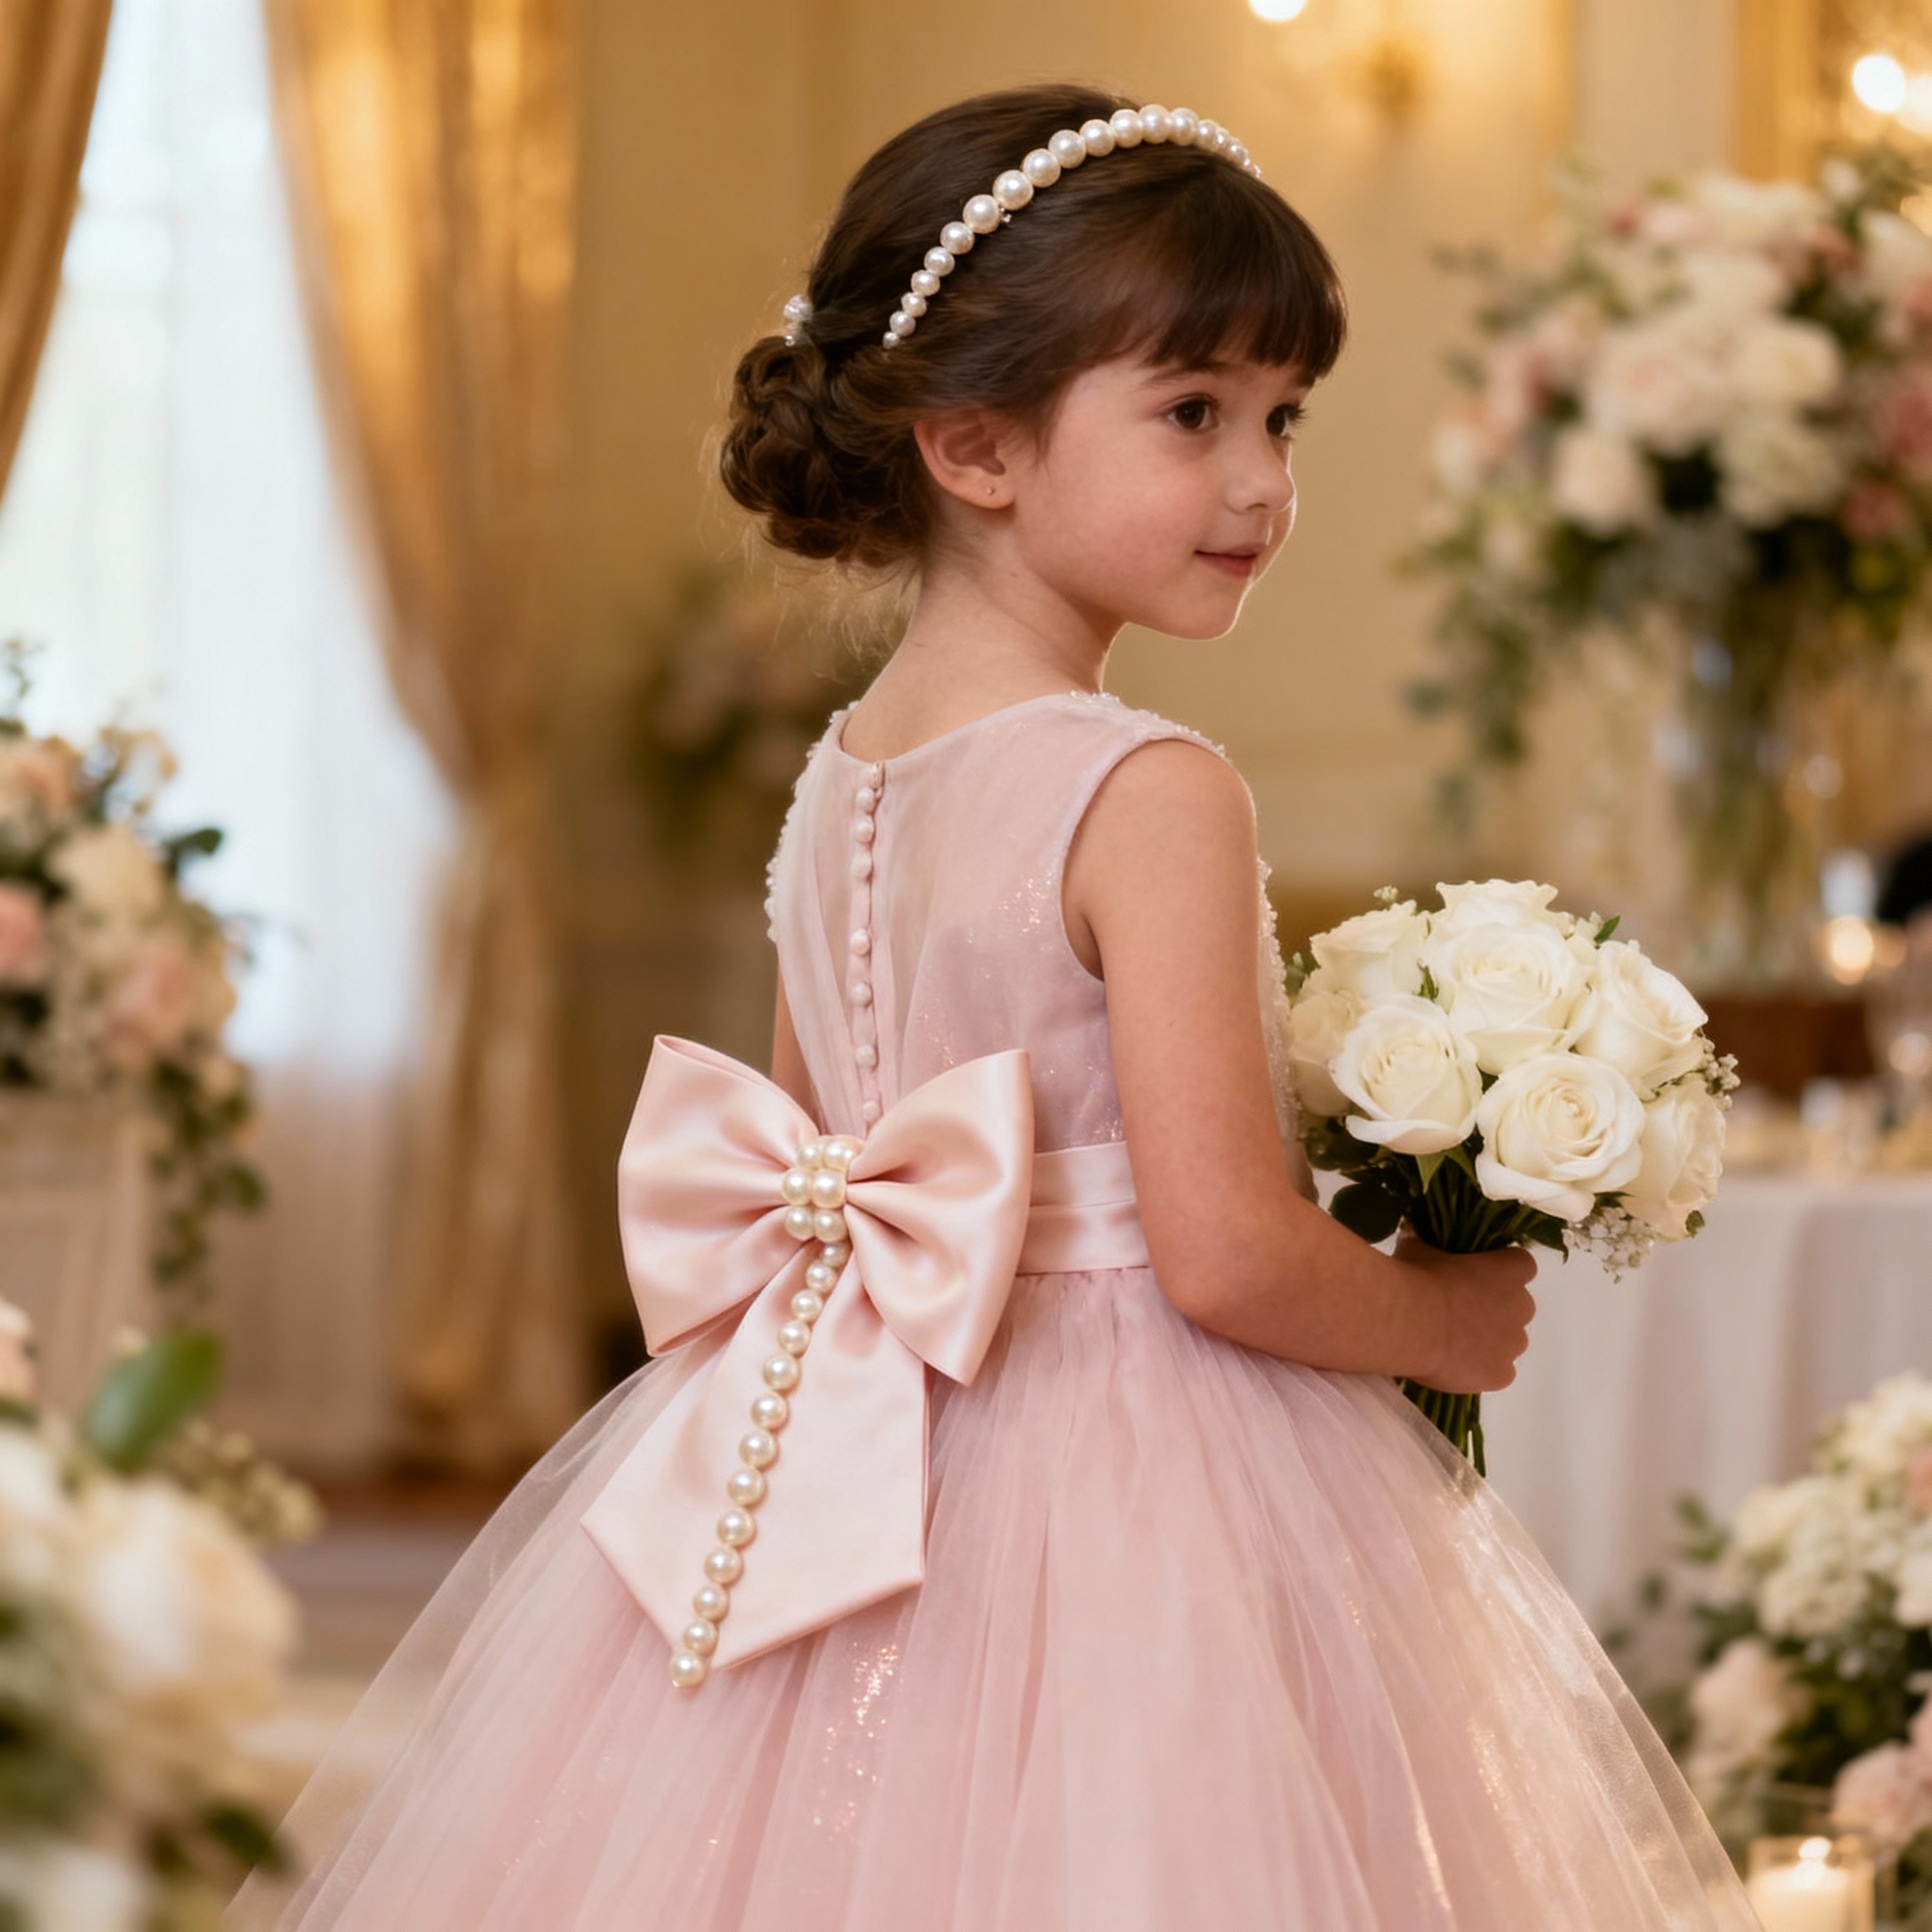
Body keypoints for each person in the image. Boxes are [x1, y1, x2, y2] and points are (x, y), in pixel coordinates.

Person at [235, 83, 1756, 1930]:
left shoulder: (838, 779)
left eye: (1282, 414)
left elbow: (809, 1188)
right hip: (1134, 1474)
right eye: (1191, 413)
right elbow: (1222, 1253)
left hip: (861, 1446)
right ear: (973, 443)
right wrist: (1440, 1314)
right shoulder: (1149, 786)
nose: (1262, 478)